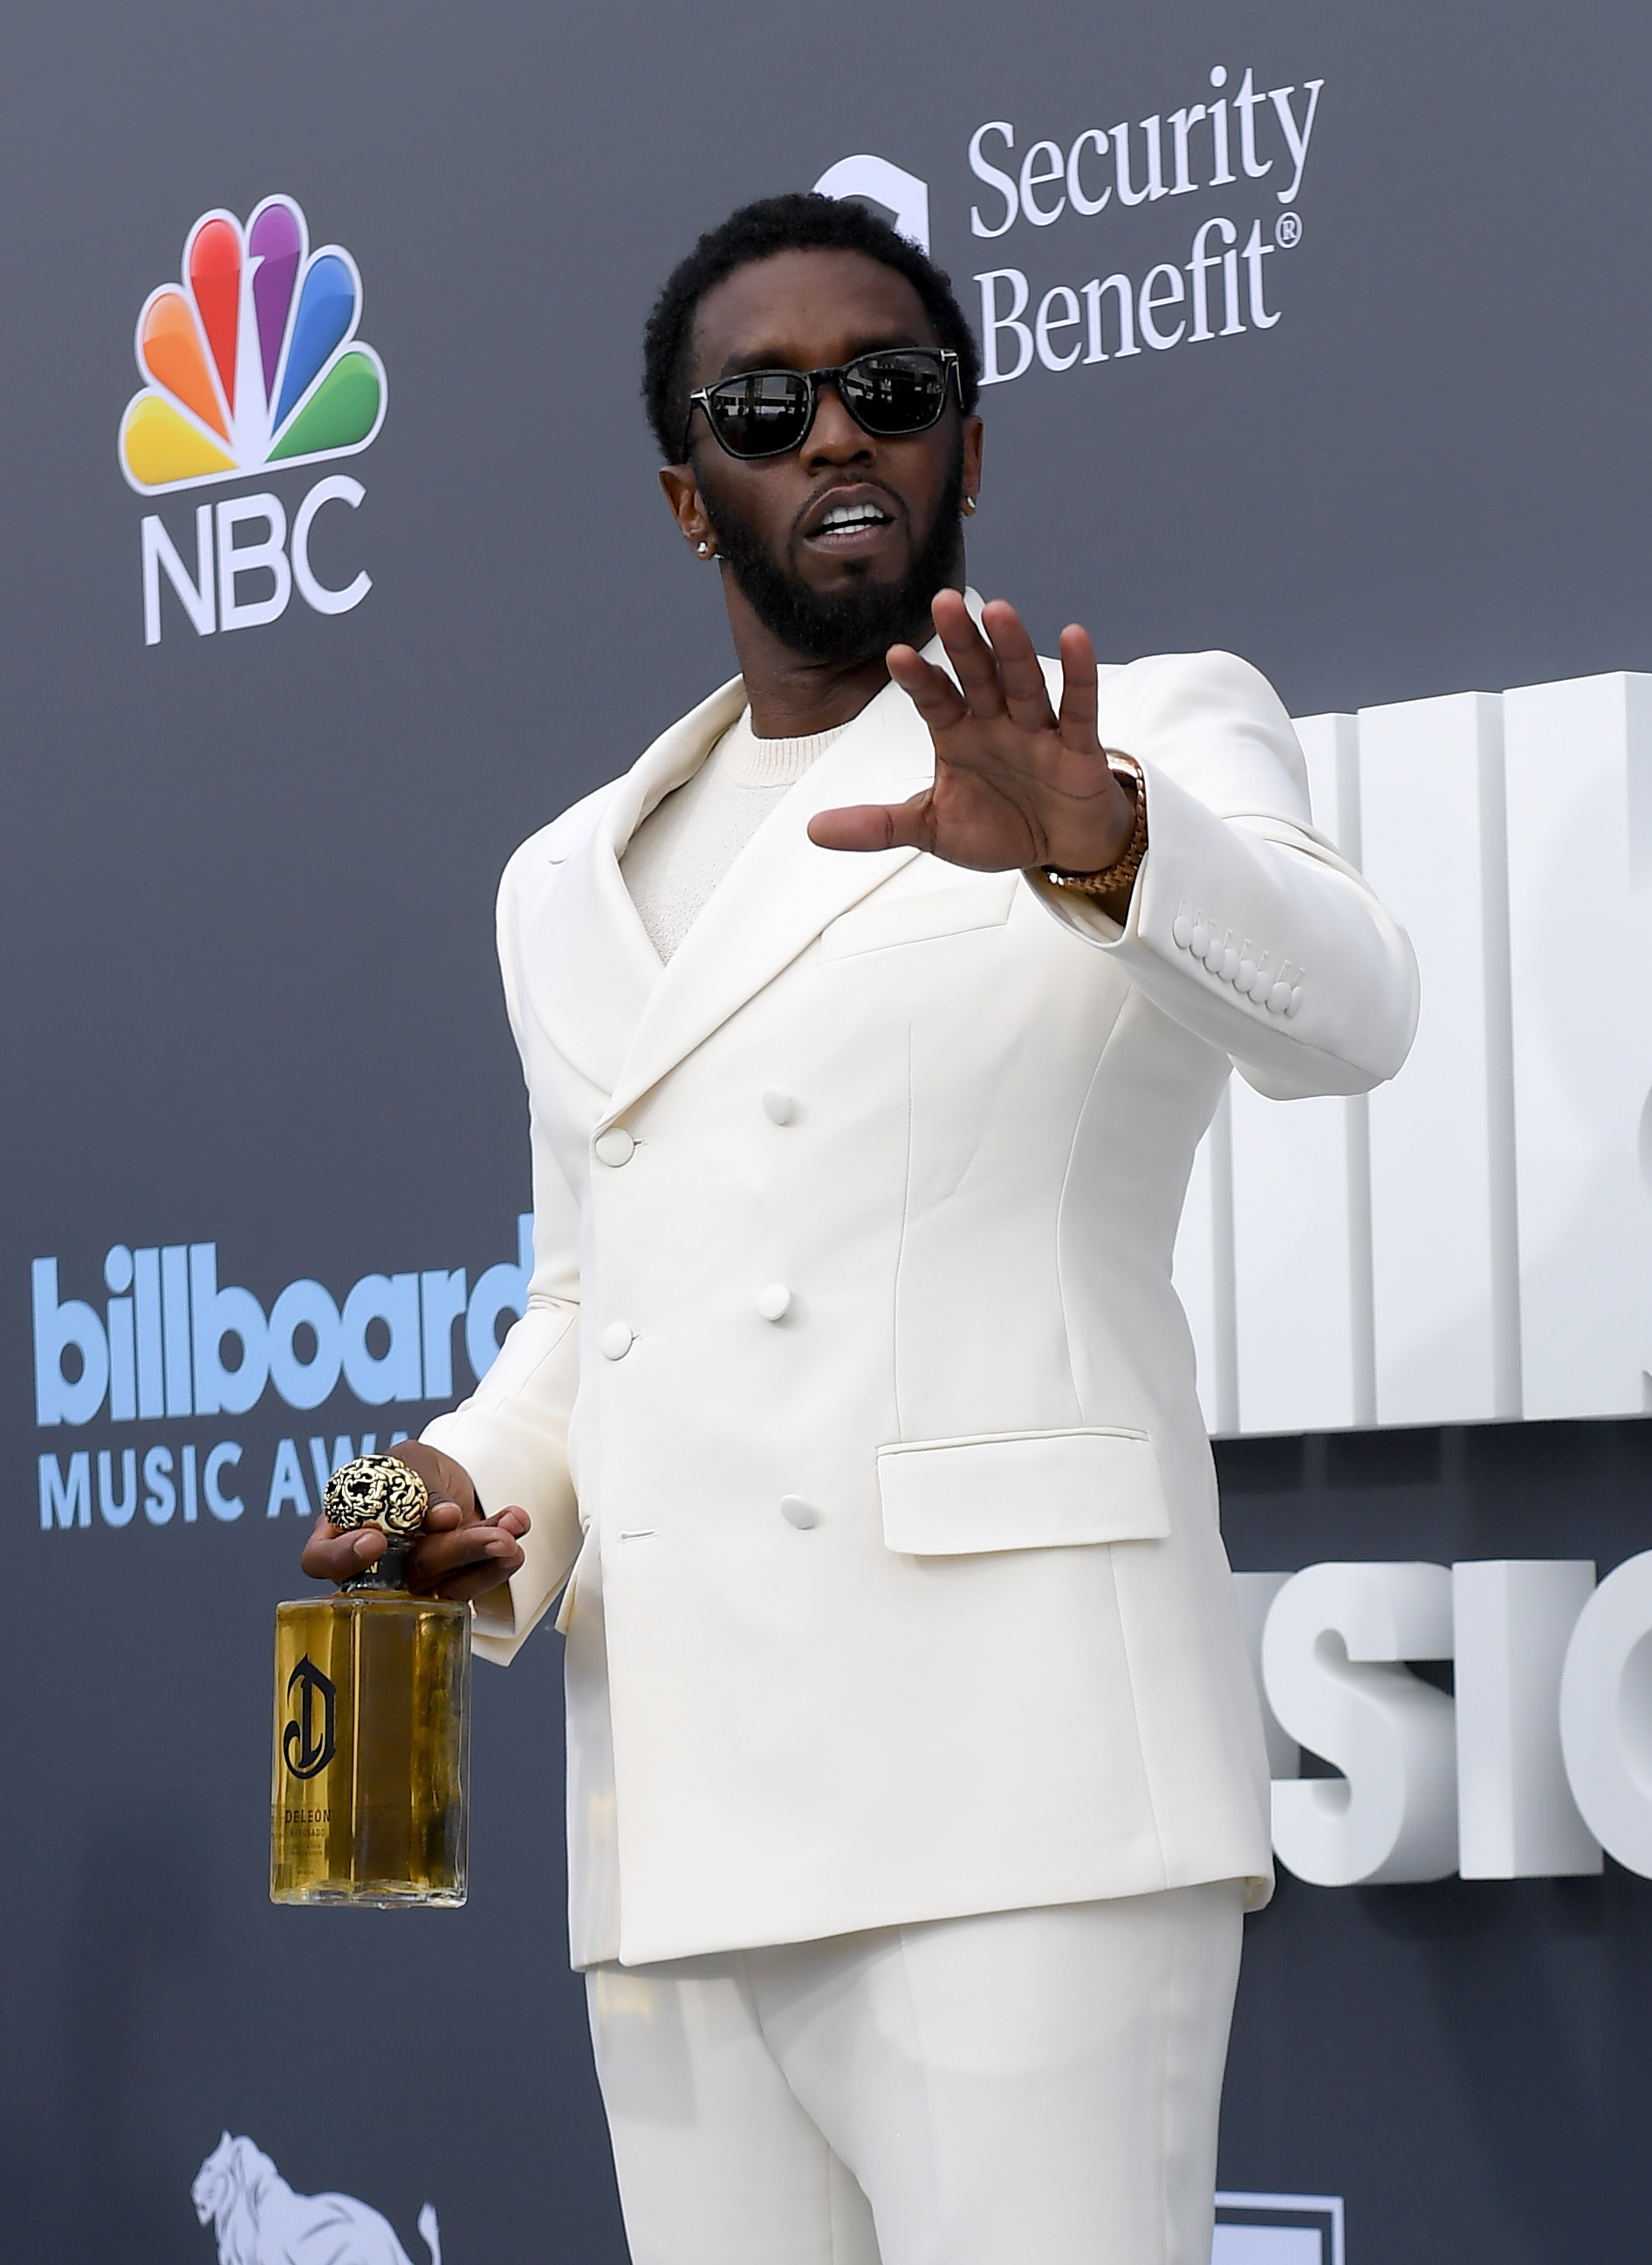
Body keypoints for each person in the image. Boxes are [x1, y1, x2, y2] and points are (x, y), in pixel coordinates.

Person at [303, 192, 1418, 2265]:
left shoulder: (1145, 730)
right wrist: (443, 1487)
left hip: (1022, 1799)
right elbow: (586, 1302)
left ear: (964, 451)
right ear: (683, 491)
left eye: (888, 393)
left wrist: (1099, 843)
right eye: (767, 404)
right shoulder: (565, 874)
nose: (836, 438)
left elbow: (1355, 1012)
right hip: (671, 1823)